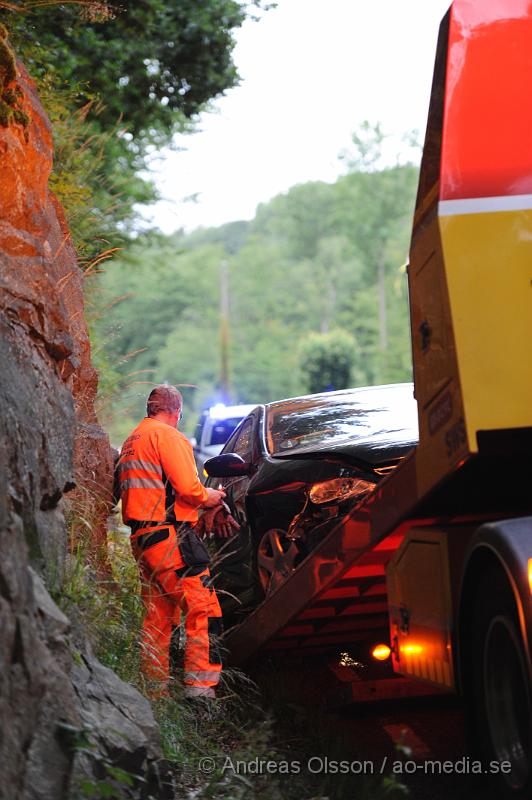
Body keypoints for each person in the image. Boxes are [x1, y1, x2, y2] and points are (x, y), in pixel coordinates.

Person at [118, 384, 237, 699]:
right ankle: (201, 692)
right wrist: (209, 496)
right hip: (171, 538)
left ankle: (153, 692)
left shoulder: (133, 440)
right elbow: (188, 488)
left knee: (158, 613)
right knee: (204, 608)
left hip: (143, 539)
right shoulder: (168, 436)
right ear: (177, 412)